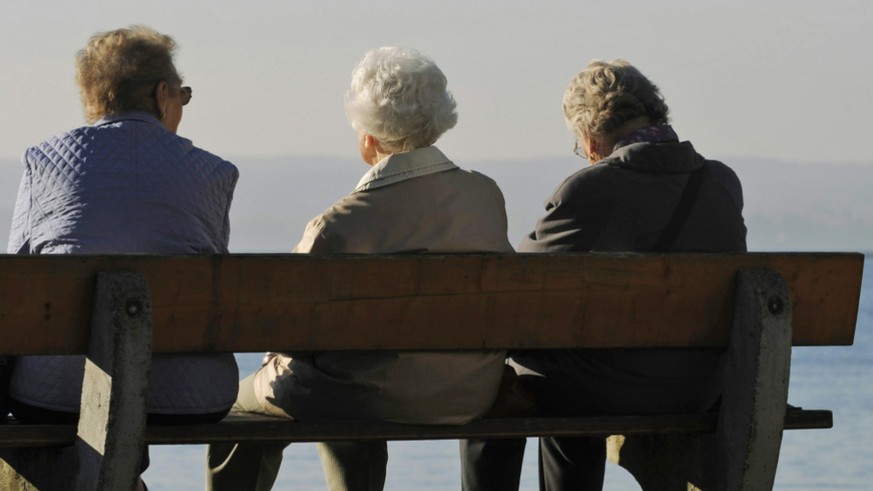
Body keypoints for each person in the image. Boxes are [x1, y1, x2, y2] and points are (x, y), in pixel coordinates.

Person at [206, 47, 513, 491]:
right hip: (468, 391)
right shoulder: (486, 196)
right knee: (344, 375)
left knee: (247, 399)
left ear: (368, 137)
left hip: (371, 395)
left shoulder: (339, 225)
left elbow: (279, 328)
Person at [460, 59, 747, 490]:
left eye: (580, 144)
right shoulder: (722, 182)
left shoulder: (591, 188)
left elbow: (512, 291)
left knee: (507, 379)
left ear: (591, 136)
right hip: (702, 389)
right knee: (570, 367)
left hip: (619, 388)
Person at [6, 25, 239, 488]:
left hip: (55, 395)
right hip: (188, 398)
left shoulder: (43, 161)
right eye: (183, 96)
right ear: (161, 94)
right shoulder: (214, 173)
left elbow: (17, 286)